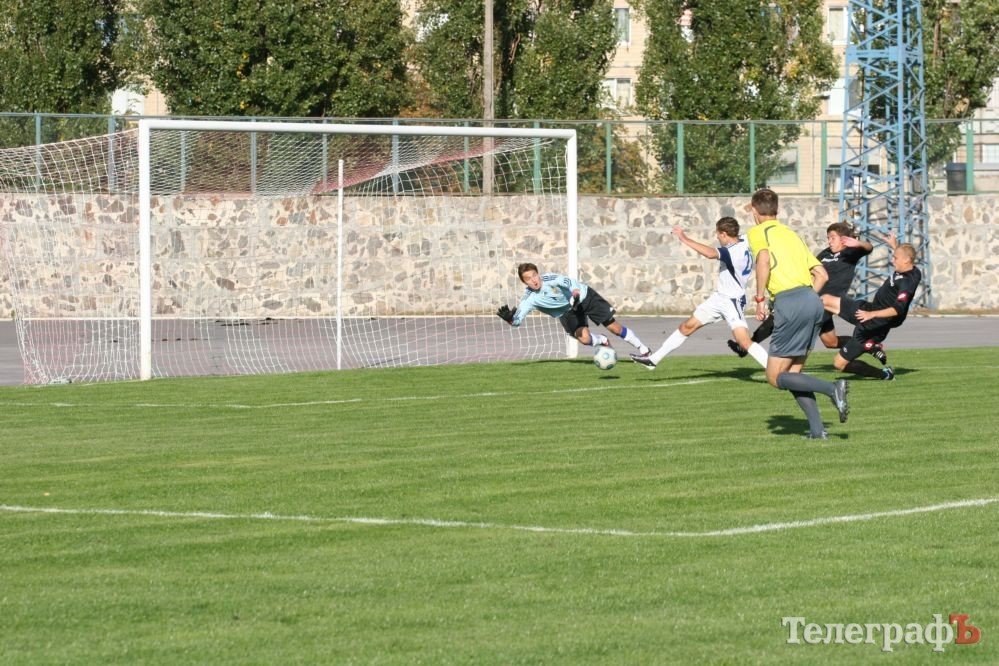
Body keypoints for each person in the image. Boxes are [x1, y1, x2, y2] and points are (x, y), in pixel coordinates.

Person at [746, 188, 849, 440]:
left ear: (754, 211)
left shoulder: (758, 232)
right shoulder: (792, 235)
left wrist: (759, 299)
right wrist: (806, 298)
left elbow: (763, 260)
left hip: (789, 302)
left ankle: (832, 388)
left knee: (774, 377)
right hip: (812, 301)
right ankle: (817, 431)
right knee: (793, 374)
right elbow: (821, 274)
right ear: (777, 210)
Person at [630, 217, 769, 370]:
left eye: (718, 234)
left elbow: (710, 253)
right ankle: (653, 360)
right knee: (687, 326)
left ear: (724, 234)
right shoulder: (745, 240)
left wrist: (684, 238)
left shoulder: (731, 251)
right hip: (718, 299)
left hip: (732, 301)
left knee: (743, 341)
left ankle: (775, 370)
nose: (717, 238)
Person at [727, 222, 873, 359]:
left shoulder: (850, 252)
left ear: (843, 239)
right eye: (828, 238)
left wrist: (859, 244)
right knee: (831, 342)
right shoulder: (826, 253)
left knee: (780, 319)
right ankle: (868, 345)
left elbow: (869, 248)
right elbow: (811, 268)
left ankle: (749, 347)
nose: (829, 241)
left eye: (832, 238)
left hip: (827, 302)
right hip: (815, 298)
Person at [822, 233, 921, 381]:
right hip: (868, 309)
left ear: (906, 260)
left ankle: (884, 374)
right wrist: (894, 246)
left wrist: (871, 315)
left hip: (874, 325)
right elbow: (904, 255)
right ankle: (871, 347)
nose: (892, 261)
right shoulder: (911, 268)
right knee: (824, 300)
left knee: (839, 364)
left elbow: (897, 309)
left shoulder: (907, 283)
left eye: (895, 258)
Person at [496, 263, 651, 356]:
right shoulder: (528, 299)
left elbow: (568, 282)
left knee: (614, 328)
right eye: (528, 279)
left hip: (583, 297)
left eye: (534, 275)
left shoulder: (549, 279)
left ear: (538, 274)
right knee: (584, 339)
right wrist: (509, 318)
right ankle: (602, 340)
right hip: (567, 312)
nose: (534, 280)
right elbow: (516, 322)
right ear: (524, 282)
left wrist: (575, 292)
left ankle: (644, 350)